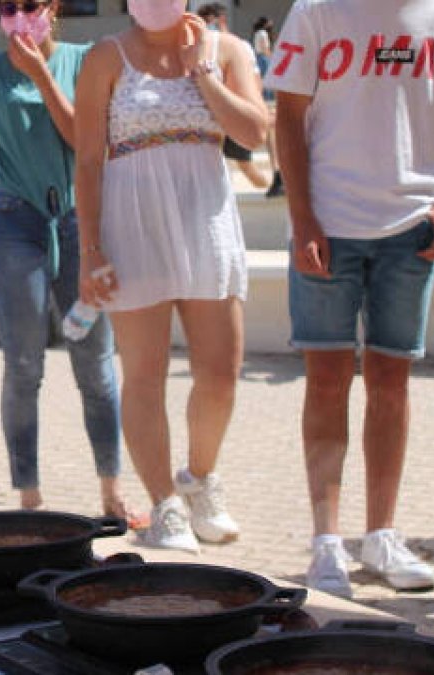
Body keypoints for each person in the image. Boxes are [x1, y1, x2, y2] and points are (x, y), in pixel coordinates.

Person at [0, 0, 137, 520]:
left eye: (29, 5)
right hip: (14, 222)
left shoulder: (86, 59)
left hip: (79, 220)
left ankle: (112, 493)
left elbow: (84, 138)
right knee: (22, 364)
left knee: (95, 365)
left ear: (53, 8)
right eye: (7, 7)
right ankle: (30, 498)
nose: (18, 16)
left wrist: (40, 75)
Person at [266, 0, 434, 598]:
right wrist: (302, 218)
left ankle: (380, 536)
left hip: (413, 227)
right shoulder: (317, 10)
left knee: (391, 382)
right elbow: (287, 118)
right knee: (326, 382)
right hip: (329, 224)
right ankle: (327, 542)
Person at [76, 0, 268, 552]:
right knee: (144, 374)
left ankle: (199, 478)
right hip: (132, 225)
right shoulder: (104, 58)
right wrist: (91, 250)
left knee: (220, 372)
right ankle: (164, 504)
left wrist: (203, 69)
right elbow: (89, 160)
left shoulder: (227, 49)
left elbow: (254, 133)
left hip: (205, 221)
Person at [197, 2, 270, 190]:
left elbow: (254, 82)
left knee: (244, 164)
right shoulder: (194, 46)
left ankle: (269, 186)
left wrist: (255, 107)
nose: (207, 26)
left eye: (210, 21)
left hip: (233, 113)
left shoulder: (238, 46)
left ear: (221, 20)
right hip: (210, 121)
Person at [251, 16, 284, 198]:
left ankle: (278, 176)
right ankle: (279, 176)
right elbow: (265, 50)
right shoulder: (263, 35)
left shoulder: (257, 36)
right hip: (266, 73)